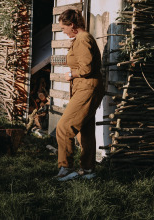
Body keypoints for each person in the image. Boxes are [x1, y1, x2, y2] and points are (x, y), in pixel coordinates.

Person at [55, 9, 105, 181]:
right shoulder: (82, 38)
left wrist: (72, 74)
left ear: (73, 25)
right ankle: (88, 169)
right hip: (87, 87)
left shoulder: (83, 39)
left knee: (64, 127)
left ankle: (67, 168)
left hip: (87, 88)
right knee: (85, 129)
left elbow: (87, 68)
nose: (63, 31)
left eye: (64, 28)